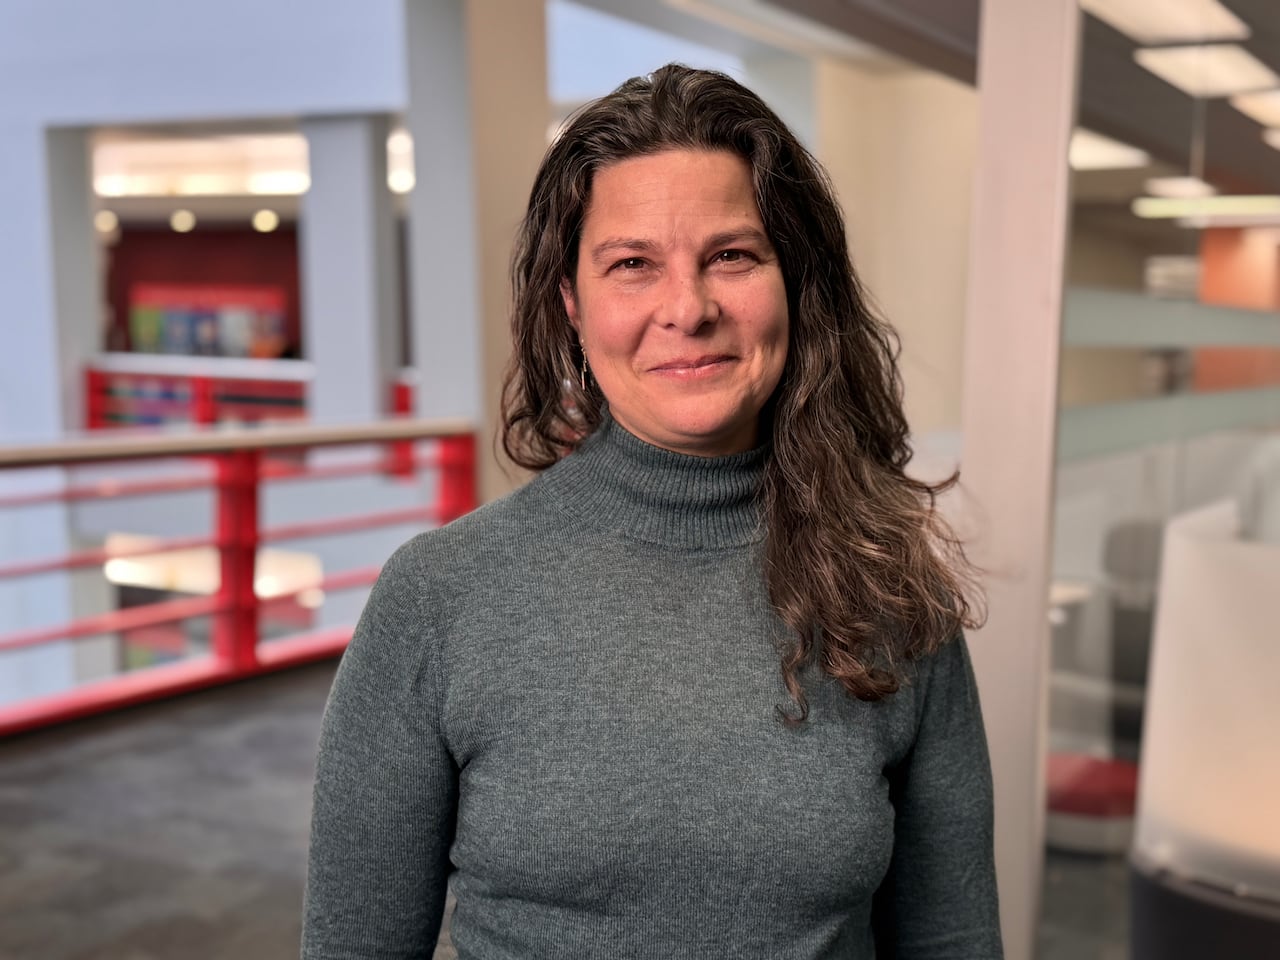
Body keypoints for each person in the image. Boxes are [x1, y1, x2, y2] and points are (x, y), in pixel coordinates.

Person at [302, 63, 1001, 959]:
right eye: (632, 265)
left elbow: (954, 940)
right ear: (572, 303)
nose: (688, 309)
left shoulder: (889, 585)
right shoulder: (441, 597)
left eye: (732, 255)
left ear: (796, 282)